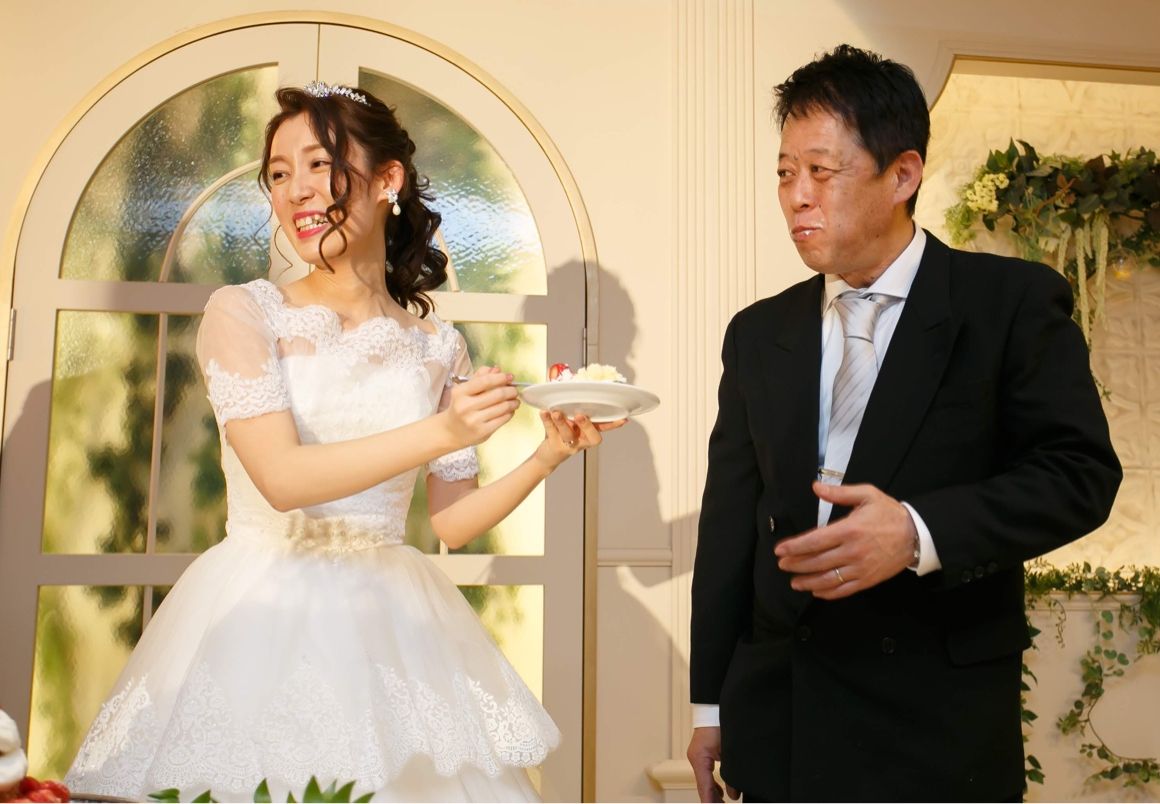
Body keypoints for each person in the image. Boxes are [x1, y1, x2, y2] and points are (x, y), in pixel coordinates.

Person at [65, 81, 621, 803]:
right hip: (258, 615)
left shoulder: (437, 344)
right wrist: (444, 428)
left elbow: (453, 523)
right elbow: (282, 479)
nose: (295, 189)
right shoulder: (243, 313)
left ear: (388, 180)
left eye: (319, 164)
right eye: (278, 172)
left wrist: (548, 453)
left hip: (391, 625)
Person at [686, 45, 1121, 802]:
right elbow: (729, 526)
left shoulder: (1008, 304)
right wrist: (709, 707)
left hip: (933, 732)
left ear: (903, 175)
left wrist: (918, 533)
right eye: (784, 173)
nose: (796, 197)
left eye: (822, 171)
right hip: (784, 724)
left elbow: (1078, 475)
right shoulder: (758, 333)